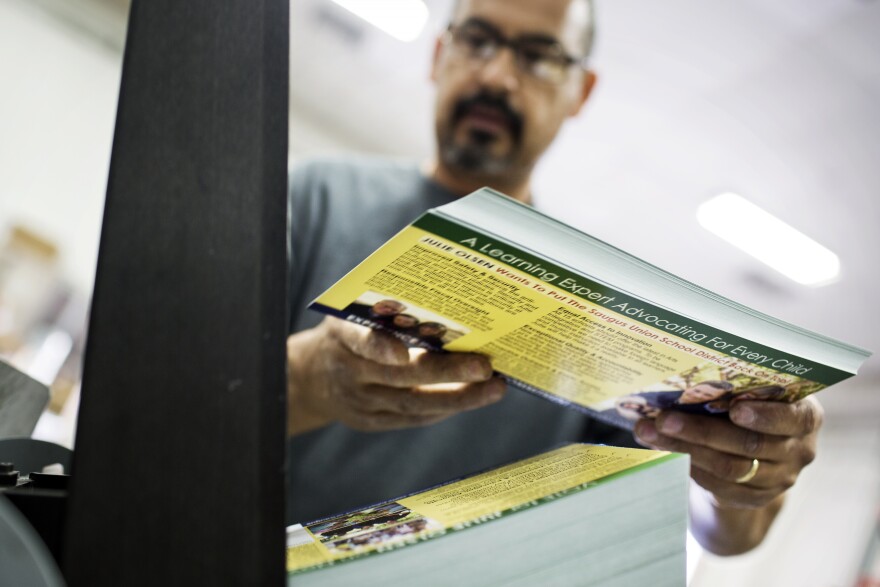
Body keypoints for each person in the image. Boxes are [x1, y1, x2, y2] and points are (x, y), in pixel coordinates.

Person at [286, 0, 824, 556]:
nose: (496, 76)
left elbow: (716, 531)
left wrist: (744, 476)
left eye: (539, 57)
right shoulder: (316, 196)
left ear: (580, 92)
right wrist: (307, 380)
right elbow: (194, 397)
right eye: (477, 39)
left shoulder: (594, 305)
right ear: (439, 53)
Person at [616, 380, 735, 418]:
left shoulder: (705, 412)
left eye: (707, 395)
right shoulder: (664, 395)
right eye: (696, 390)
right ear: (688, 388)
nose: (697, 395)